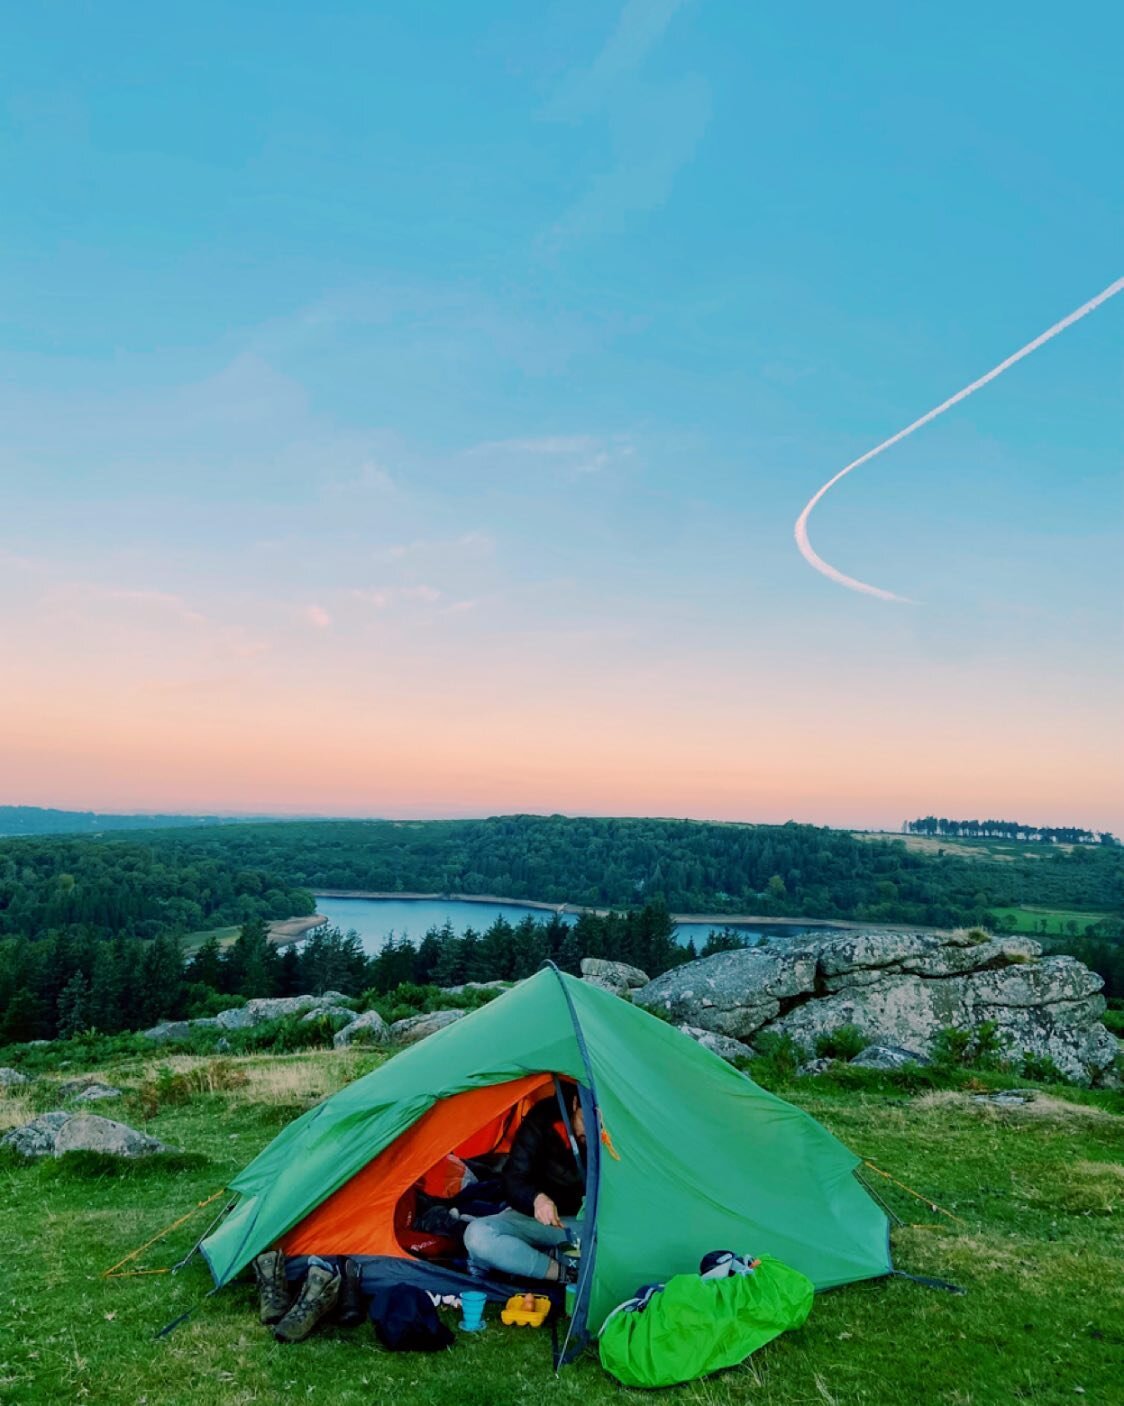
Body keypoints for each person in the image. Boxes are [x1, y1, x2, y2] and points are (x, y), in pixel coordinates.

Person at [463, 1084, 586, 1284]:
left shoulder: (614, 1137)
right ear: (574, 1104)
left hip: (578, 1226)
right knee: (478, 1235)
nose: (589, 1132)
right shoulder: (542, 1119)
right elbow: (513, 1176)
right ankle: (561, 1272)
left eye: (597, 1126)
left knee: (612, 1247)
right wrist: (536, 1198)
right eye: (583, 1121)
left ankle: (530, 1257)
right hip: (530, 1219)